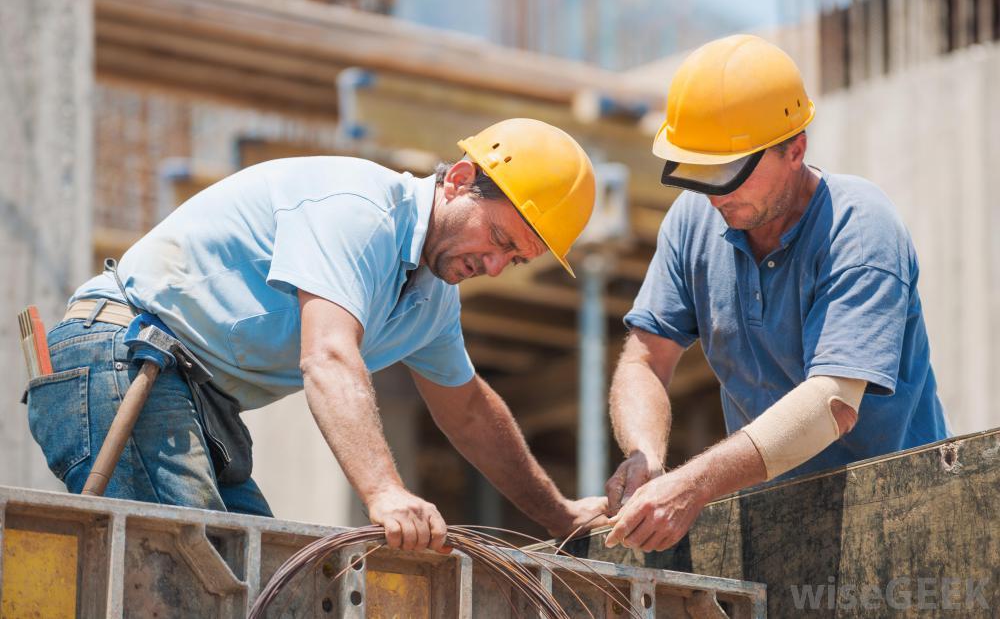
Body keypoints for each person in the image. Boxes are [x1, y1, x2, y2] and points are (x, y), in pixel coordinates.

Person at [26, 117, 608, 552]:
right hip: (120, 358)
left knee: (263, 580)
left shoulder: (430, 301)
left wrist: (559, 516)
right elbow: (328, 357)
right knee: (190, 574)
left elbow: (471, 414)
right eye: (500, 240)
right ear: (458, 180)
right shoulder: (359, 210)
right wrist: (385, 493)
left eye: (517, 260)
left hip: (188, 396)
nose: (497, 266)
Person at [603, 35, 950, 552]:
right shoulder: (692, 222)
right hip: (774, 525)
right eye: (700, 171)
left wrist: (694, 485)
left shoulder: (859, 228)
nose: (715, 193)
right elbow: (645, 361)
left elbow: (833, 403)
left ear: (795, 150)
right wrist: (645, 457)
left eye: (730, 172)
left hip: (903, 520)